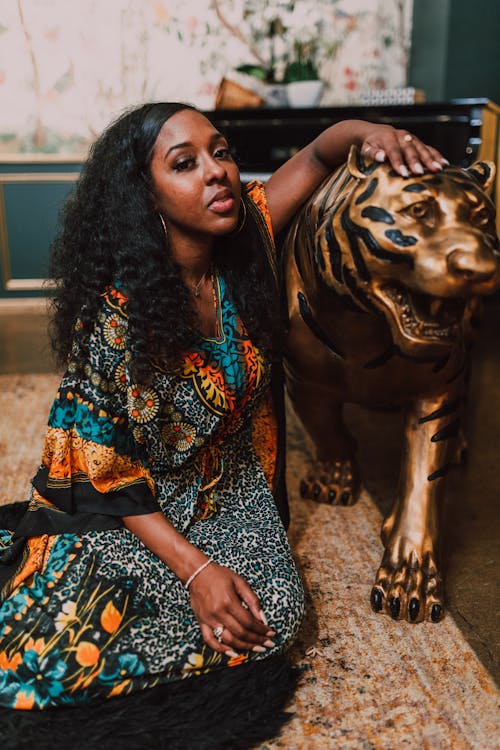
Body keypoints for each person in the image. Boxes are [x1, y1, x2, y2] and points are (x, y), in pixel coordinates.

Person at [0, 102, 445, 734]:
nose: (218, 173)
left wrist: (375, 134)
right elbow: (106, 468)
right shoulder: (114, 319)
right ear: (144, 195)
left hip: (233, 494)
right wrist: (199, 571)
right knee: (37, 655)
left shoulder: (249, 247)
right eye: (186, 164)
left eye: (222, 152)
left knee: (276, 617)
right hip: (137, 506)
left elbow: (321, 154)